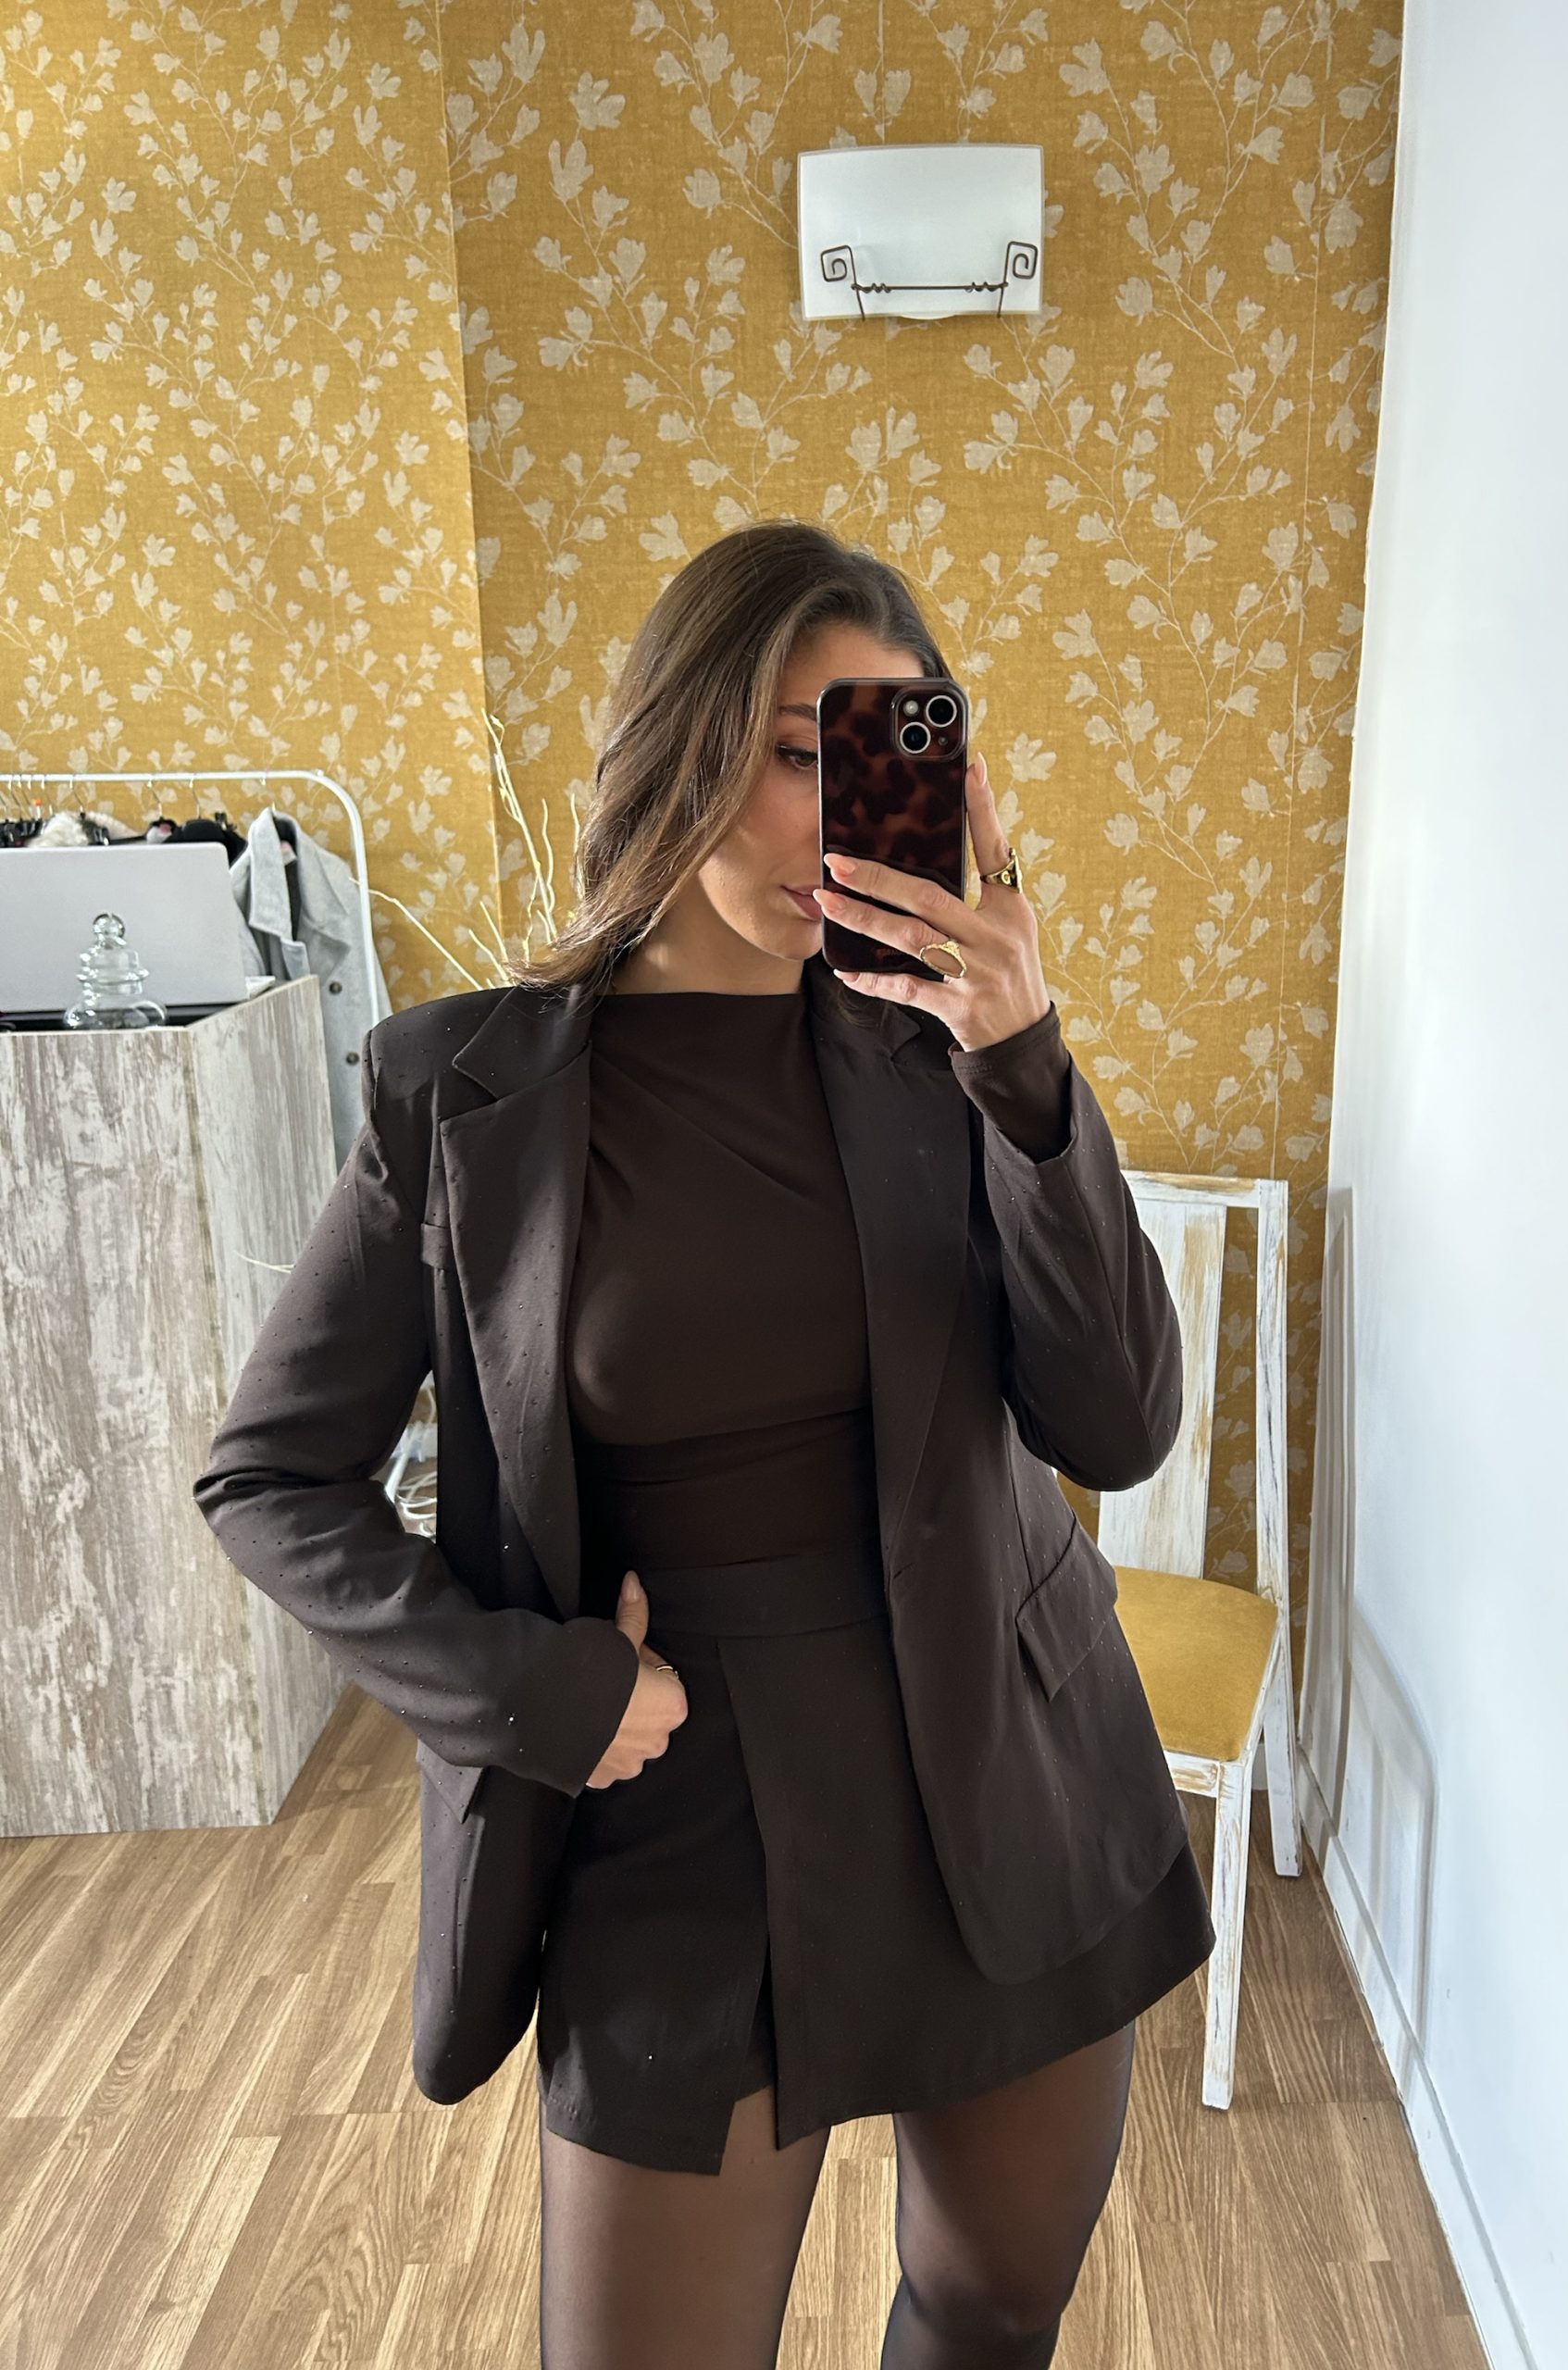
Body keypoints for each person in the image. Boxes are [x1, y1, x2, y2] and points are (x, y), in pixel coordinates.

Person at [194, 518, 1214, 2369]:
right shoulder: (466, 1091)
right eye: (797, 753)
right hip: (674, 1798)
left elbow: (1120, 1420)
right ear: (679, 739)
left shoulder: (950, 1055)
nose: (837, 822)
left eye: (881, 759)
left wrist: (1026, 1058)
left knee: (990, 2309)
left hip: (1011, 1755)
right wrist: (527, 1689)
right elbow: (268, 1475)